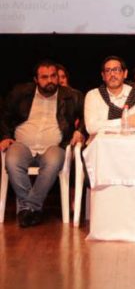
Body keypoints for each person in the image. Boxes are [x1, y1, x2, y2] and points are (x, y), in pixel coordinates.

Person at [0, 60, 83, 227]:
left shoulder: (72, 96)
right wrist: (5, 136)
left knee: (53, 161)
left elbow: (85, 118)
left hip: (54, 148)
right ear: (36, 79)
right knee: (12, 159)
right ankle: (33, 209)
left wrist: (80, 130)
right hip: (22, 145)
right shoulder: (20, 93)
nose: (50, 80)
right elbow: (4, 116)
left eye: (53, 76)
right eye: (44, 77)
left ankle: (28, 208)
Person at [84, 56, 135, 138]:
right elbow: (91, 128)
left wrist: (103, 125)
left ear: (125, 73)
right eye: (108, 70)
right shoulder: (93, 95)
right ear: (103, 76)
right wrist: (124, 121)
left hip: (129, 143)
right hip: (100, 144)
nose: (112, 74)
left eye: (116, 69)